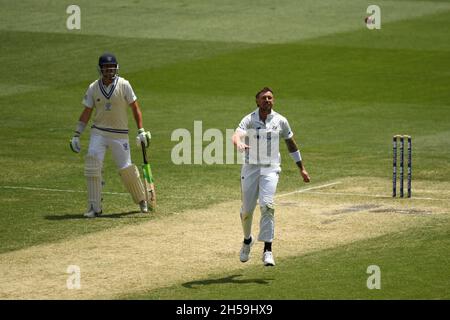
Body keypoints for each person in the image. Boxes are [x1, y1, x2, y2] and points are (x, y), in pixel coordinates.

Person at [232, 87, 311, 266]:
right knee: (247, 211)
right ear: (257, 101)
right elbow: (236, 134)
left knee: (267, 205)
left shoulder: (281, 121)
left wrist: (302, 168)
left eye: (270, 98)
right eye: (264, 98)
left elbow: (291, 144)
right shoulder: (249, 119)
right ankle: (247, 241)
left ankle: (268, 249)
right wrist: (238, 143)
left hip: (271, 169)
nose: (267, 100)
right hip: (250, 168)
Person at [70, 52, 152, 218]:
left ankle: (142, 199)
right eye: (106, 67)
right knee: (92, 162)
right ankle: (95, 207)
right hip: (98, 132)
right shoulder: (93, 87)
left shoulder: (124, 85)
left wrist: (141, 130)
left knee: (126, 168)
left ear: (116, 68)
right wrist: (77, 134)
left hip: (119, 134)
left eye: (112, 67)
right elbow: (87, 111)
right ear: (100, 69)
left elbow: (135, 108)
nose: (109, 70)